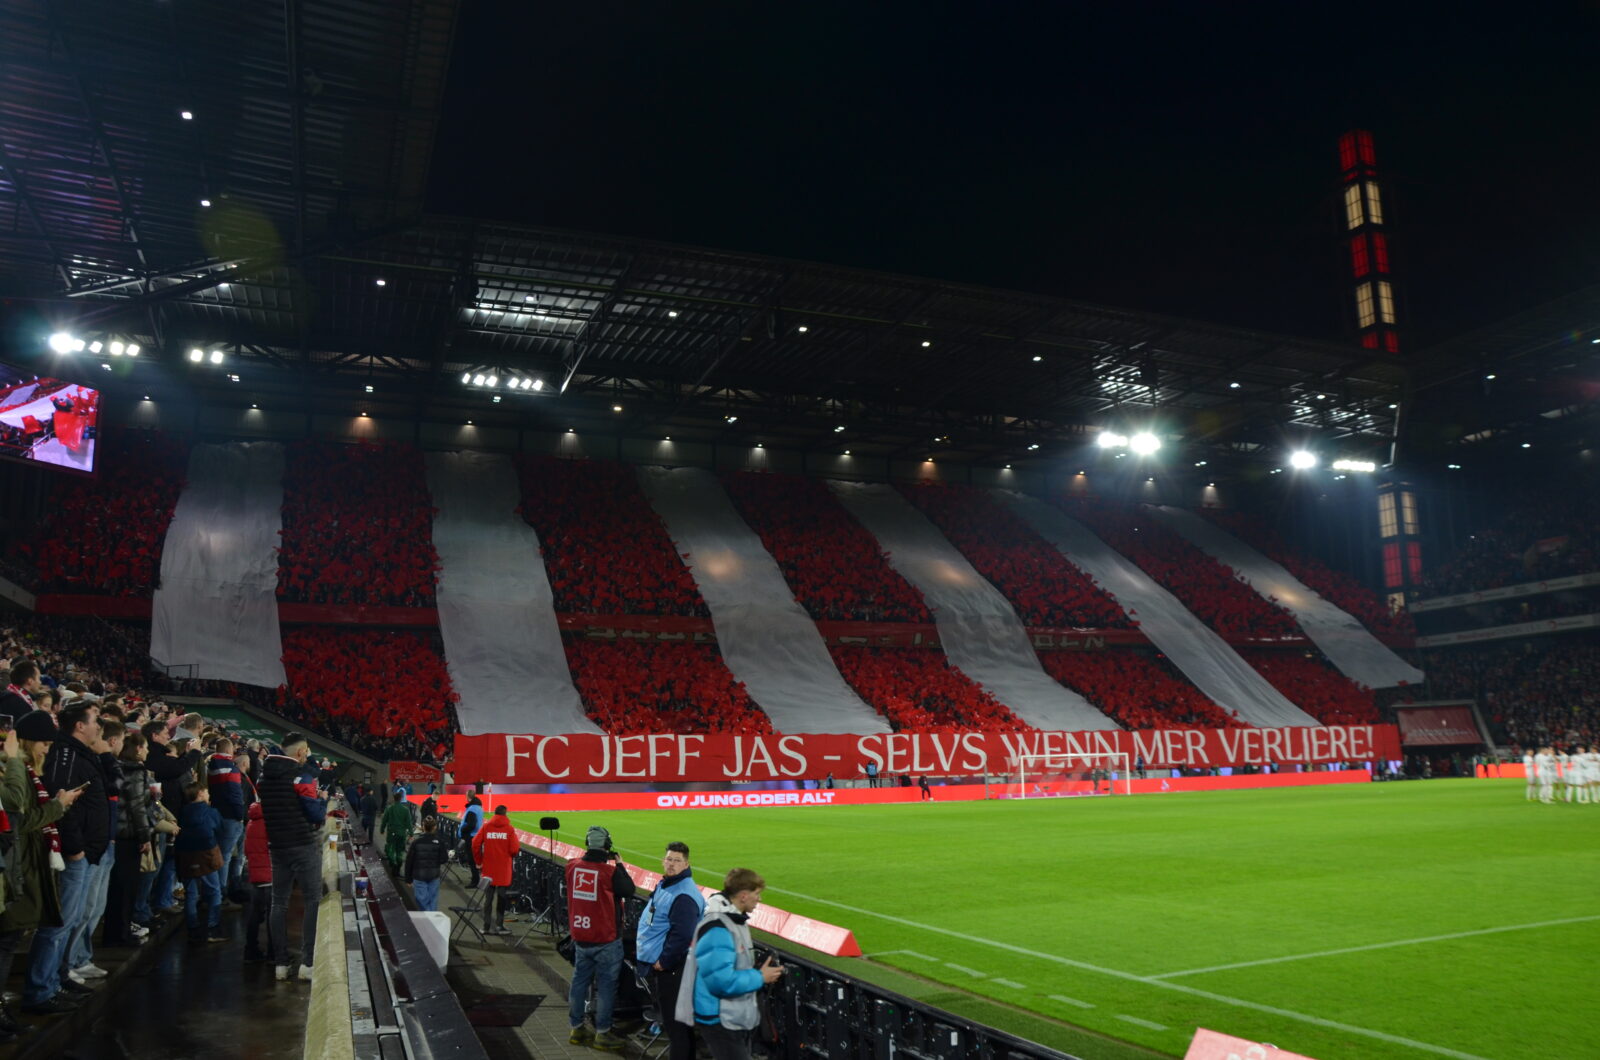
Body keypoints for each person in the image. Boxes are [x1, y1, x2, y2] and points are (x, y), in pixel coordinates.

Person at [1, 712, 83, 1022]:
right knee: (7, 939)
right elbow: (18, 818)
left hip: (24, 864)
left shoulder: (24, 769)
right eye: (44, 744)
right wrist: (58, 806)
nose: (47, 751)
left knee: (9, 939)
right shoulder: (15, 767)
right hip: (17, 866)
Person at [25, 702, 106, 1013]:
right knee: (58, 923)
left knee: (70, 920)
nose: (99, 726)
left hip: (83, 852)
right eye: (95, 720)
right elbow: (62, 800)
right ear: (79, 726)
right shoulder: (67, 754)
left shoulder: (80, 753)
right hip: (75, 854)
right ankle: (40, 991)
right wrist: (75, 848)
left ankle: (56, 980)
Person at [677, 867, 785, 1060]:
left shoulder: (733, 921)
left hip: (731, 1015)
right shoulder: (718, 928)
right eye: (757, 894)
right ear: (743, 896)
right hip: (720, 1018)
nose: (759, 899)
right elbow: (720, 981)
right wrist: (760, 976)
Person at [261, 732, 328, 982]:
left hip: (277, 846)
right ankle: (307, 963)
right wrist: (323, 801)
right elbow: (315, 815)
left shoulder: (263, 776)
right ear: (301, 752)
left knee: (279, 903)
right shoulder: (301, 777)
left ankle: (280, 963)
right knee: (313, 901)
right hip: (302, 844)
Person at [565, 825, 635, 1051]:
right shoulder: (610, 872)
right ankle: (602, 1034)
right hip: (606, 939)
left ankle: (576, 1028)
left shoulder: (572, 867)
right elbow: (628, 889)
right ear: (607, 846)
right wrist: (620, 863)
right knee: (606, 987)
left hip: (581, 937)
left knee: (578, 983)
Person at [636, 841, 705, 1060]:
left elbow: (683, 934)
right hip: (669, 968)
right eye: (669, 859)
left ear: (686, 864)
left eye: (677, 860)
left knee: (677, 1029)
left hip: (674, 970)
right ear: (662, 861)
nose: (672, 864)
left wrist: (664, 962)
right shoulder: (667, 885)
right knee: (677, 1027)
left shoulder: (683, 894)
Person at [101, 731, 152, 948]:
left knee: (117, 889)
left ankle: (117, 932)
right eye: (146, 746)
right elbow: (138, 806)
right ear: (138, 748)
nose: (148, 751)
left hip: (115, 834)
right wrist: (145, 835)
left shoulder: (117, 767)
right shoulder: (136, 771)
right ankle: (119, 935)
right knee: (126, 889)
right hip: (129, 835)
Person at [175, 783, 227, 944]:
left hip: (185, 854)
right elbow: (220, 829)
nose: (208, 794)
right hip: (206, 854)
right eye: (206, 791)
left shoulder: (182, 812)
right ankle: (213, 928)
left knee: (191, 894)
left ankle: (193, 929)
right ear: (199, 794)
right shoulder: (210, 812)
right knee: (214, 891)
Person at [206, 737, 248, 896]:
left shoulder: (210, 765)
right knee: (225, 856)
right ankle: (221, 892)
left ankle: (215, 891)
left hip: (216, 813)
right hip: (231, 816)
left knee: (219, 854)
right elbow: (235, 795)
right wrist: (240, 815)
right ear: (230, 750)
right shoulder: (231, 768)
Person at [471, 805, 519, 936]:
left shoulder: (487, 827)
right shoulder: (509, 829)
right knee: (502, 897)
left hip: (489, 867)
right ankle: (499, 925)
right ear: (505, 814)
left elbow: (475, 843)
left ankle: (486, 926)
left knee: (488, 898)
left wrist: (479, 861)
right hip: (503, 868)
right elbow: (514, 849)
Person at [241, 802, 273, 962]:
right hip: (270, 874)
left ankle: (250, 951)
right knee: (273, 915)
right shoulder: (270, 823)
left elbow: (246, 850)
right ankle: (274, 954)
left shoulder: (251, 823)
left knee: (255, 914)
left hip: (255, 875)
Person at [402, 816, 446, 912]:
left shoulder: (416, 842)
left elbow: (409, 861)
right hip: (434, 875)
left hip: (419, 876)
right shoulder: (439, 842)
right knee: (433, 901)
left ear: (423, 827)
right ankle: (432, 920)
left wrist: (408, 879)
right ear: (435, 827)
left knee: (422, 901)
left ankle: (427, 920)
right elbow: (444, 859)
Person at [380, 791, 412, 870]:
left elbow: (384, 820)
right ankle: (398, 865)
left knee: (390, 849)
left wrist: (382, 829)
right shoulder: (406, 810)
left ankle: (392, 863)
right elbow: (409, 823)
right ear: (401, 799)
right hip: (401, 833)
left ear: (394, 799)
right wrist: (411, 833)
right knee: (399, 850)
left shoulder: (389, 808)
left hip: (392, 833)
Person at [458, 794, 484, 888]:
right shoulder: (479, 807)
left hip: (471, 837)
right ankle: (476, 878)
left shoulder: (472, 809)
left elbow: (471, 824)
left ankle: (475, 881)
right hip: (477, 836)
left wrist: (462, 830)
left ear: (468, 797)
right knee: (476, 859)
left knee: (472, 860)